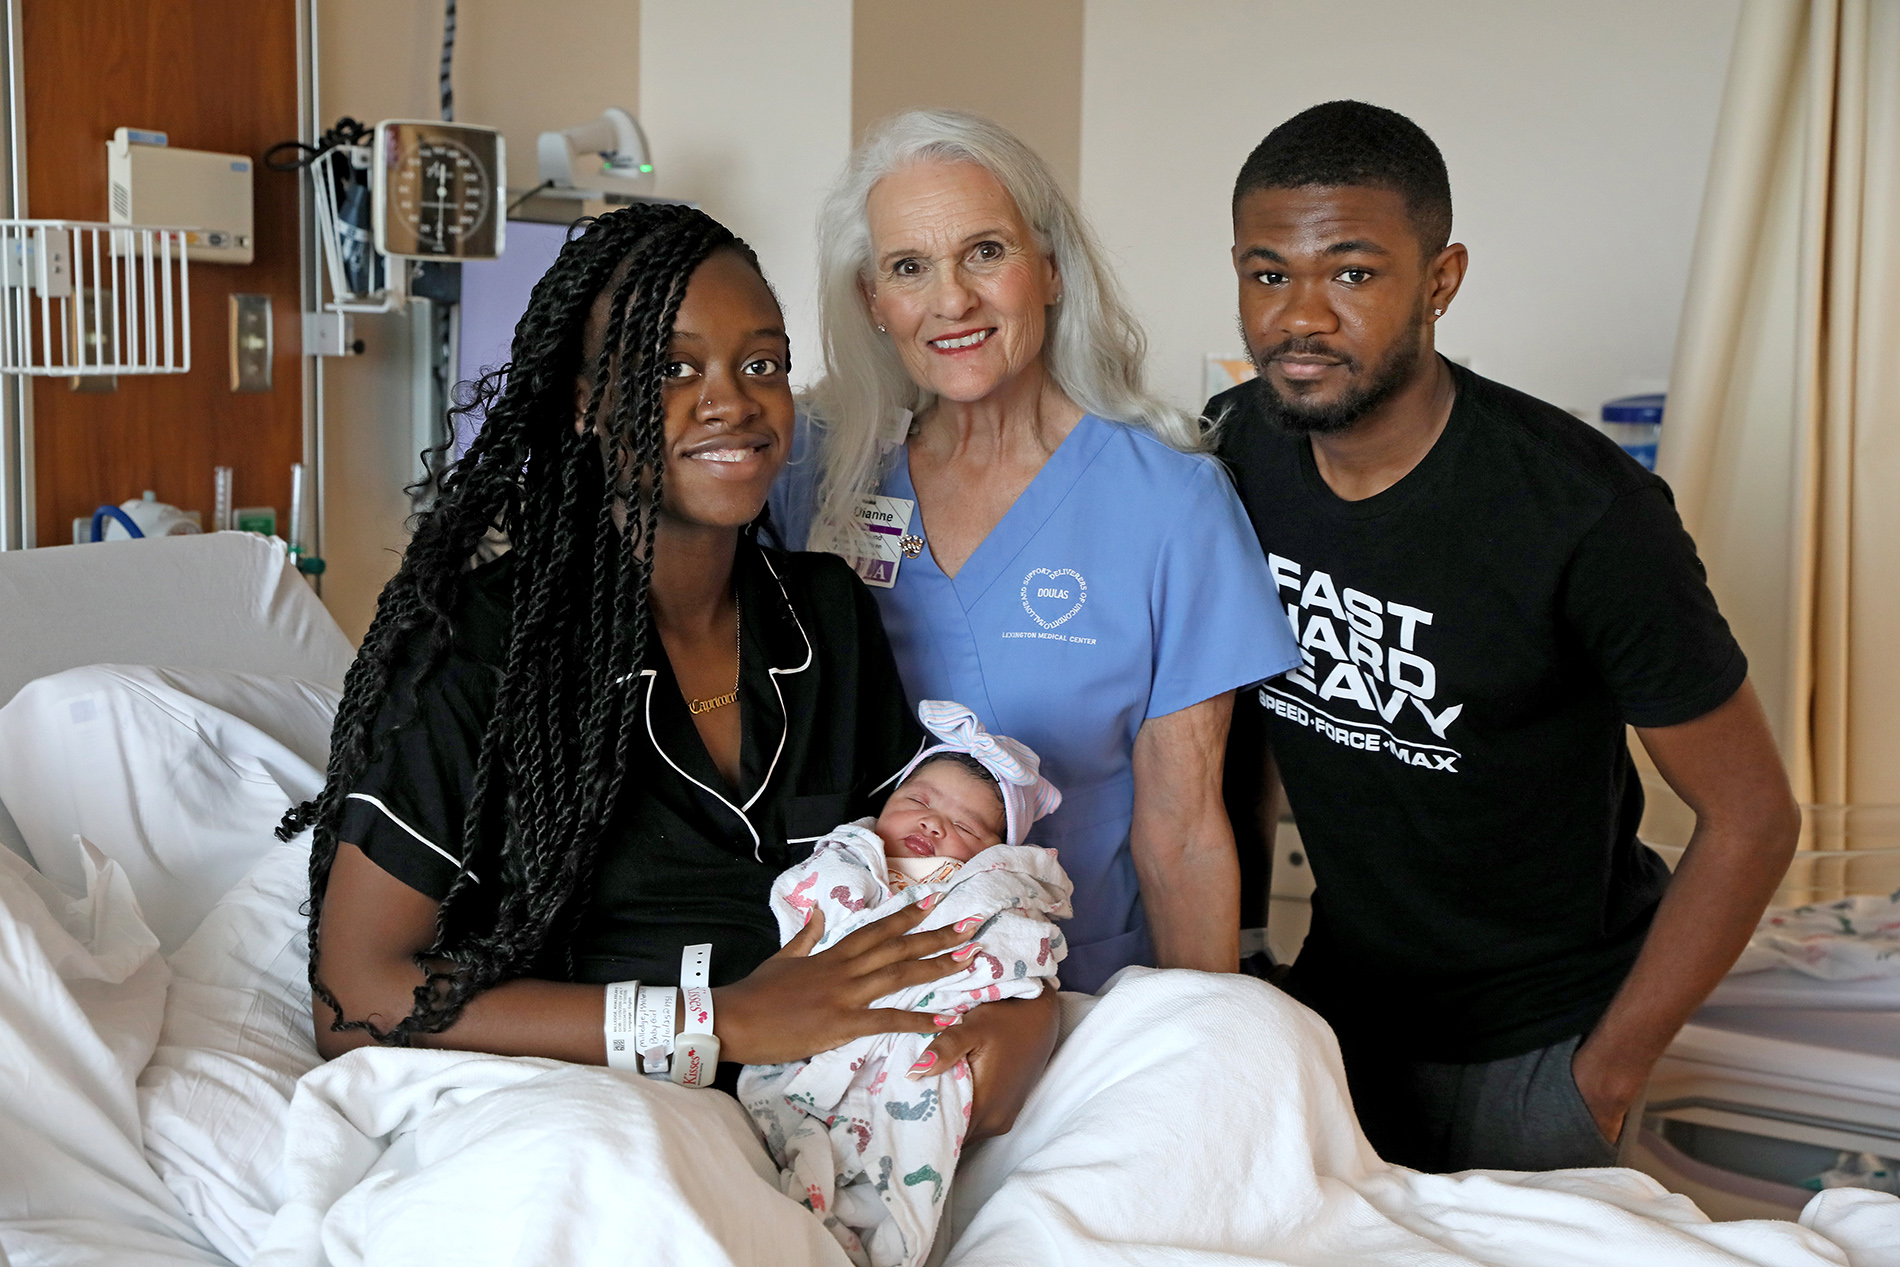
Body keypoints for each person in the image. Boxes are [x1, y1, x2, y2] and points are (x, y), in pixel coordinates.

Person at [281, 203, 1059, 1143]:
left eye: (762, 364)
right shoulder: (476, 648)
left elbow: (926, 876)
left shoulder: (827, 613)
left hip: (851, 1091)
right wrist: (720, 1022)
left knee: (1218, 1037)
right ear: (583, 397)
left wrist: (1021, 1015)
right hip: (603, 1114)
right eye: (670, 368)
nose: (731, 400)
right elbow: (355, 996)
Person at [1207, 101, 1801, 1171]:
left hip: (1543, 1042)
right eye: (1266, 273)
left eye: (1351, 272)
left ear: (1439, 280)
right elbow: (1227, 727)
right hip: (1335, 1008)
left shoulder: (1582, 511)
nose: (1299, 316)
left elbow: (1753, 816)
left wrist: (1603, 1076)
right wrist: (1247, 949)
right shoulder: (1233, 453)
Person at [772, 110, 1300, 992]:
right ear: (874, 299)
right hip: (847, 997)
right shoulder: (817, 477)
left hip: (1080, 992)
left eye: (985, 252)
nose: (952, 300)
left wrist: (1198, 1046)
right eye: (909, 267)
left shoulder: (1169, 501)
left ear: (1050, 269)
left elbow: (1182, 831)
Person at [740, 701, 1069, 1267]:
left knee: (892, 1186)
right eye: (917, 800)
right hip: (811, 1036)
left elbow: (1018, 954)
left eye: (965, 827)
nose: (933, 823)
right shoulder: (851, 863)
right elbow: (803, 922)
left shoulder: (986, 891)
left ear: (997, 855)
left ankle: (881, 1237)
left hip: (913, 1055)